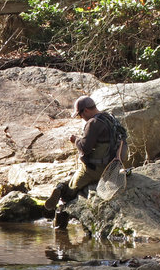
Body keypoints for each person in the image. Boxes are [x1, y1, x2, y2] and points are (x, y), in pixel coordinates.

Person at [45, 95, 128, 228]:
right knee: (74, 175)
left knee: (70, 193)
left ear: (86, 111)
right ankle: (61, 186)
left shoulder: (93, 123)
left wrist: (75, 140)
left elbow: (85, 147)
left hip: (95, 169)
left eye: (80, 115)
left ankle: (61, 195)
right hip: (113, 168)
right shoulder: (110, 117)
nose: (81, 118)